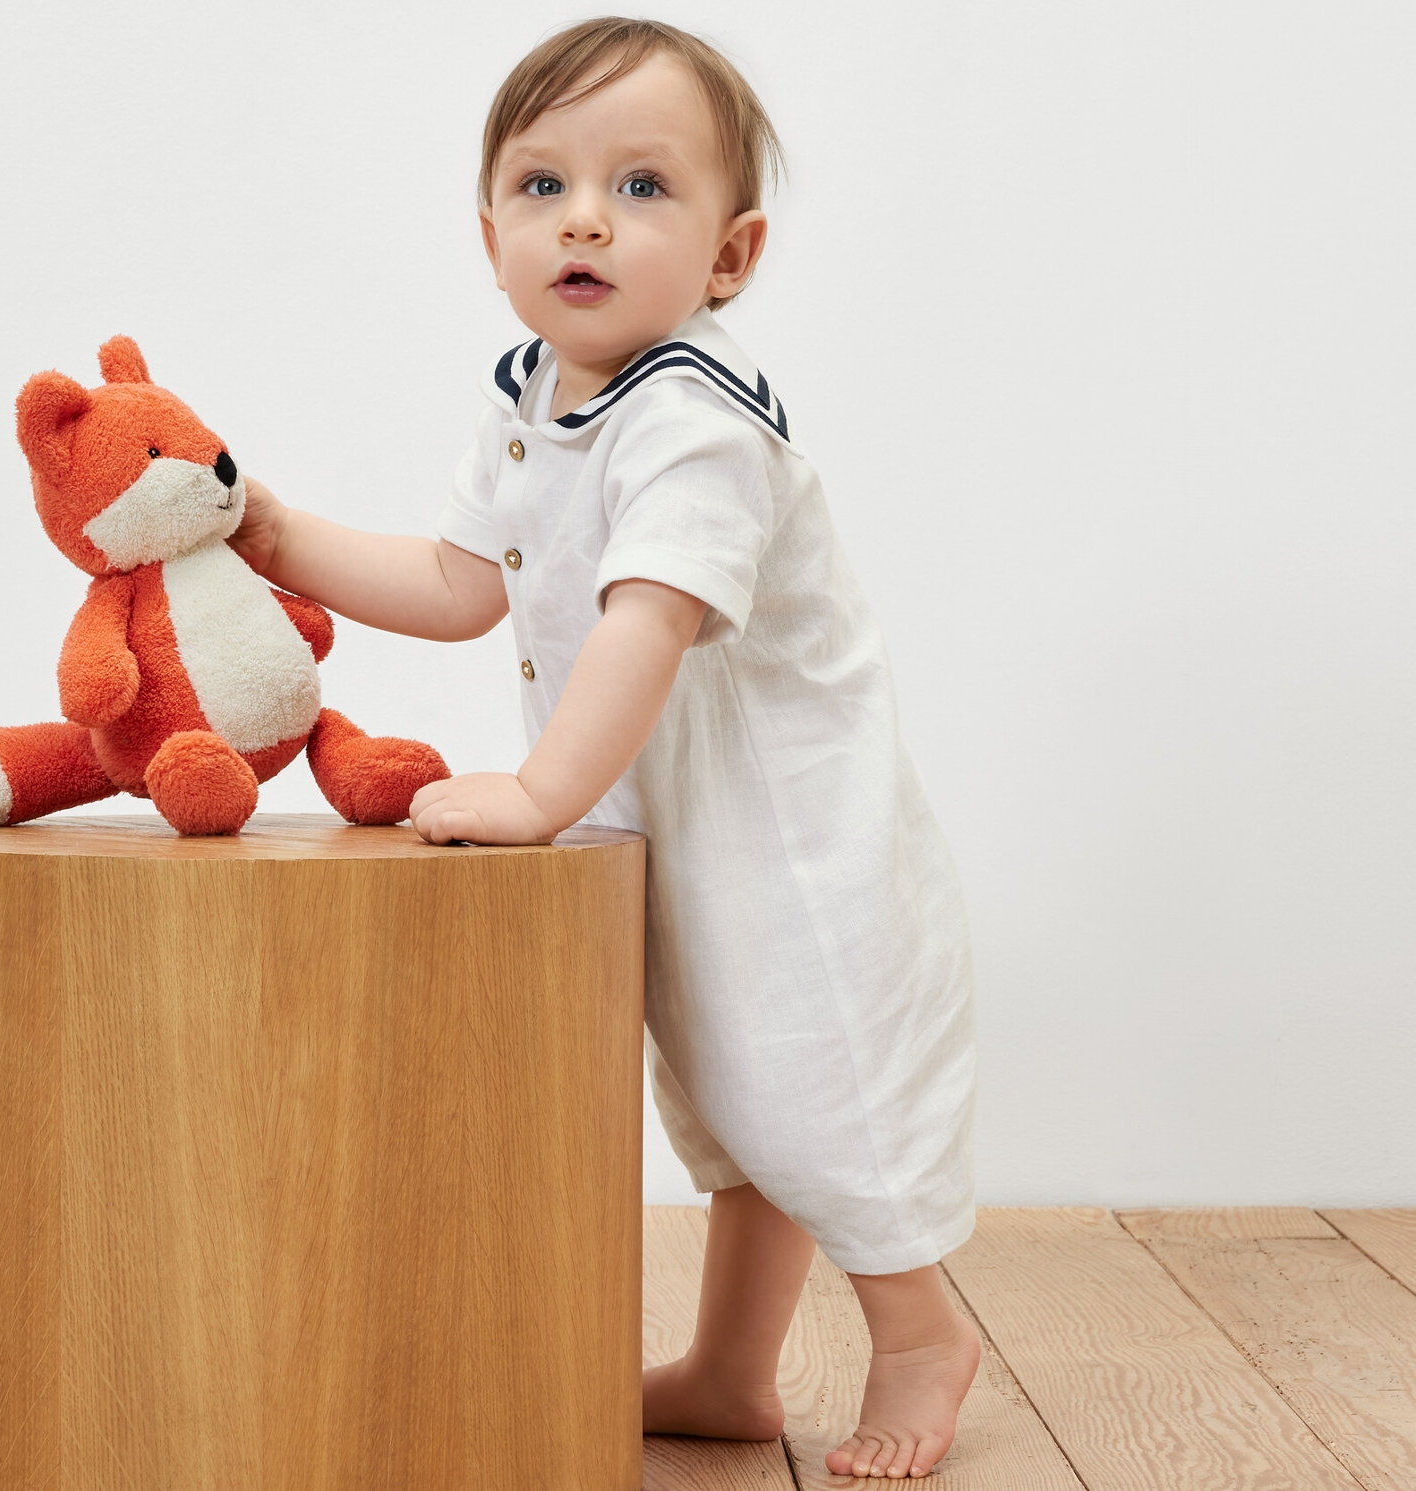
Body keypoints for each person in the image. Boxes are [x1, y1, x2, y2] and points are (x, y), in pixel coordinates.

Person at [229, 17, 980, 1481]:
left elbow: (646, 620)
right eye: (541, 182)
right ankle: (728, 1371)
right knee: (719, 1096)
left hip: (793, 840)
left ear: (729, 256)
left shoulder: (694, 417)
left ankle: (918, 1335)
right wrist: (275, 531)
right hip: (673, 816)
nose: (584, 215)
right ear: (491, 227)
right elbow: (460, 587)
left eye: (642, 187)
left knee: (815, 1091)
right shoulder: (529, 399)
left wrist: (538, 791)